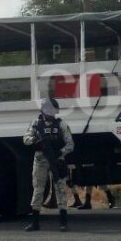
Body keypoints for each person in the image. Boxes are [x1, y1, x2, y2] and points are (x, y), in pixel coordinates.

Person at [22, 98, 75, 231]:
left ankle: (63, 223)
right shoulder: (36, 123)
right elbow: (26, 139)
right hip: (40, 160)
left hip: (57, 160)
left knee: (61, 189)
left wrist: (60, 153)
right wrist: (36, 140)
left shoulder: (61, 124)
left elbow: (70, 144)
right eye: (49, 109)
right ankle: (35, 223)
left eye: (53, 110)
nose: (51, 113)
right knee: (38, 189)